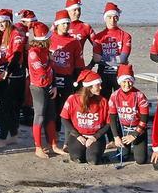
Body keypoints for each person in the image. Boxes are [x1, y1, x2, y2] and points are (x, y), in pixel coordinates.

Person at [48, 9, 85, 154]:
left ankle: (67, 142)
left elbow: (78, 65)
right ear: (57, 25)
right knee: (52, 111)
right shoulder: (49, 39)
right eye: (63, 24)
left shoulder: (74, 42)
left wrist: (78, 82)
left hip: (68, 79)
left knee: (67, 111)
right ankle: (53, 140)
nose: (65, 26)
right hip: (51, 79)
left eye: (67, 24)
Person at [61, 69, 110, 165]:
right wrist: (77, 135)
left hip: (95, 136)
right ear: (89, 87)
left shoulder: (103, 101)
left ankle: (95, 151)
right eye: (98, 85)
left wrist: (95, 137)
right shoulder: (73, 99)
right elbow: (64, 118)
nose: (101, 88)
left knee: (93, 160)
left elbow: (109, 123)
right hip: (79, 135)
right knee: (77, 158)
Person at [0, 9, 27, 144]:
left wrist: (7, 70)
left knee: (5, 108)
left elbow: (17, 54)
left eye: (3, 22)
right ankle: (13, 135)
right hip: (2, 76)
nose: (0, 25)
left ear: (9, 21)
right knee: (8, 108)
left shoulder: (15, 33)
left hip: (14, 76)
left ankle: (4, 138)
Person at [108, 64, 151, 164]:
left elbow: (144, 118)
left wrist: (135, 135)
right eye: (124, 81)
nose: (127, 85)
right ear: (119, 82)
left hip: (138, 130)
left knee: (140, 160)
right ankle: (127, 150)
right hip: (123, 130)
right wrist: (116, 137)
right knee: (122, 157)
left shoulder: (140, 96)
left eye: (129, 81)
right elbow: (112, 118)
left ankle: (138, 148)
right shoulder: (114, 96)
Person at [27, 21, 56, 158]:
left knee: (50, 114)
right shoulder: (34, 53)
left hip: (48, 86)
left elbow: (49, 72)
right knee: (39, 116)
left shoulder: (45, 51)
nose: (51, 39)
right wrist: (51, 62)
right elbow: (42, 73)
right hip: (38, 87)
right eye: (48, 37)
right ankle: (38, 147)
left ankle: (53, 144)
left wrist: (53, 85)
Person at [91, 2, 131, 99]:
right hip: (103, 74)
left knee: (121, 100)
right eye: (109, 17)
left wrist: (103, 59)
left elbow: (123, 58)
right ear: (105, 18)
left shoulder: (126, 36)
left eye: (115, 17)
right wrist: (116, 60)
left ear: (118, 18)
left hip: (120, 74)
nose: (112, 20)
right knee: (103, 101)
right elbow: (96, 59)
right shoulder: (98, 37)